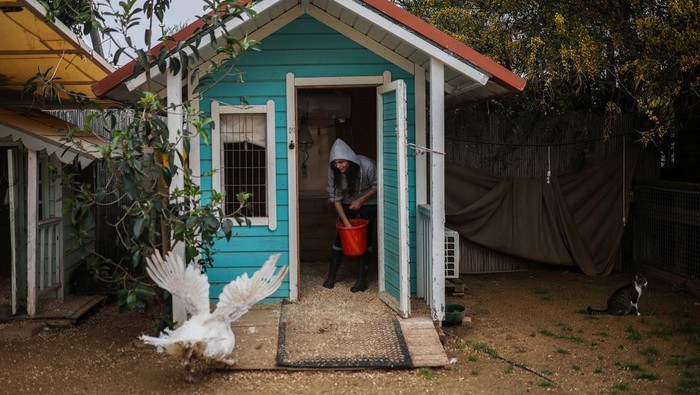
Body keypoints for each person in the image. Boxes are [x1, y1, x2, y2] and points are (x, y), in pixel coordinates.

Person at [323, 138, 377, 292]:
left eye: (341, 162)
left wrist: (361, 200)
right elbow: (335, 197)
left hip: (369, 201)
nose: (338, 166)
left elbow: (377, 185)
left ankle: (361, 281)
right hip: (347, 202)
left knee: (365, 238)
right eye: (335, 163)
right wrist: (346, 223)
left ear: (349, 159)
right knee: (341, 237)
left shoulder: (367, 165)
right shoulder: (333, 171)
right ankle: (331, 277)